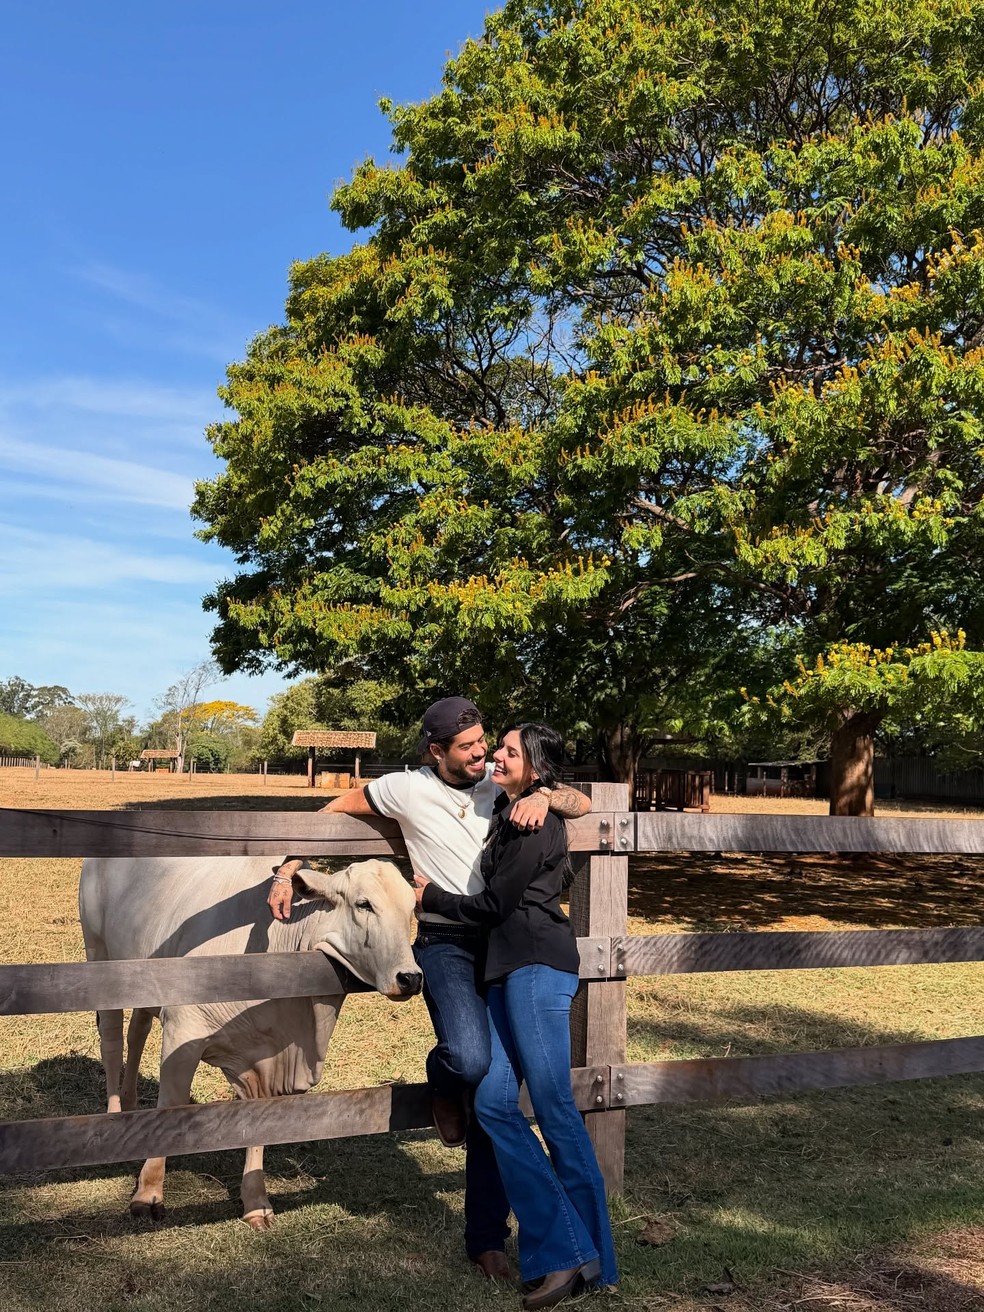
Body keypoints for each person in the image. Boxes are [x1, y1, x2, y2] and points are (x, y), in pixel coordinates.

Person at [268, 697, 592, 1285]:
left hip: (499, 944)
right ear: (436, 751)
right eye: (469, 747)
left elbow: (581, 799)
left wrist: (545, 794)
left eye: (488, 743)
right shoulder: (405, 788)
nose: (484, 755)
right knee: (469, 1062)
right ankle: (443, 1080)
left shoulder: (501, 787)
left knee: (495, 1093)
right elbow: (334, 807)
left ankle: (487, 1237)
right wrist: (289, 866)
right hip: (445, 943)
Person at [413, 722, 618, 1310]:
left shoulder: (537, 819)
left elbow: (497, 905)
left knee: (553, 1107)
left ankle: (578, 1257)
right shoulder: (510, 810)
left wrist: (431, 899)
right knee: (496, 1104)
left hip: (534, 966)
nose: (495, 757)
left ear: (535, 768)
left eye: (508, 751)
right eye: (494, 747)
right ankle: (575, 1250)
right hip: (503, 975)